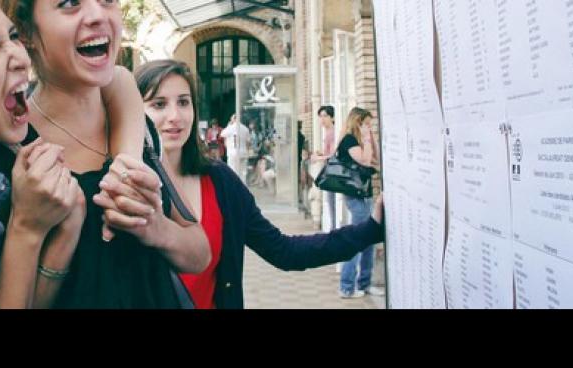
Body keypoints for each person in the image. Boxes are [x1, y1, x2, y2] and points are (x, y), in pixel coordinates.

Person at [0, 0, 211, 308]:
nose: (98, 15)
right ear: (26, 29)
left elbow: (200, 252)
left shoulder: (141, 131)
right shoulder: (9, 152)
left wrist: (155, 227)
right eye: (70, 3)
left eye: (107, 0)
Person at [135, 59, 385, 309]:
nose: (175, 116)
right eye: (158, 104)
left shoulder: (220, 182)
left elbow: (285, 251)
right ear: (134, 111)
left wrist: (370, 229)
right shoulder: (126, 187)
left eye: (183, 102)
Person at [0, 0, 85, 309]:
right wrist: (28, 228)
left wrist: (66, 230)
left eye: (12, 37)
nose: (20, 57)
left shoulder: (3, 145)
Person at [335, 107, 384, 298]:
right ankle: (347, 286)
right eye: (366, 123)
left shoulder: (360, 140)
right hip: (356, 197)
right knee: (357, 239)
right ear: (357, 122)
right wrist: (364, 137)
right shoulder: (349, 140)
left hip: (365, 195)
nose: (368, 127)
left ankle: (364, 283)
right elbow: (365, 160)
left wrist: (371, 137)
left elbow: (376, 158)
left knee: (368, 239)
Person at [312, 105, 337, 231]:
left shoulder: (333, 132)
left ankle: (334, 229)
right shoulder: (328, 132)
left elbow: (333, 155)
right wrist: (321, 154)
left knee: (333, 201)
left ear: (332, 117)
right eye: (320, 116)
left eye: (325, 116)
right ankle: (333, 228)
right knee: (330, 201)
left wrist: (319, 158)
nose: (322, 119)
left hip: (334, 171)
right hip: (329, 170)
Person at [220, 113, 250, 184]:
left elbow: (222, 134)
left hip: (233, 153)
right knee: (243, 172)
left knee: (233, 170)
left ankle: (234, 185)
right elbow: (248, 141)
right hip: (243, 152)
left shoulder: (231, 127)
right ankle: (243, 185)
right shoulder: (245, 128)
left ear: (234, 119)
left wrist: (229, 125)